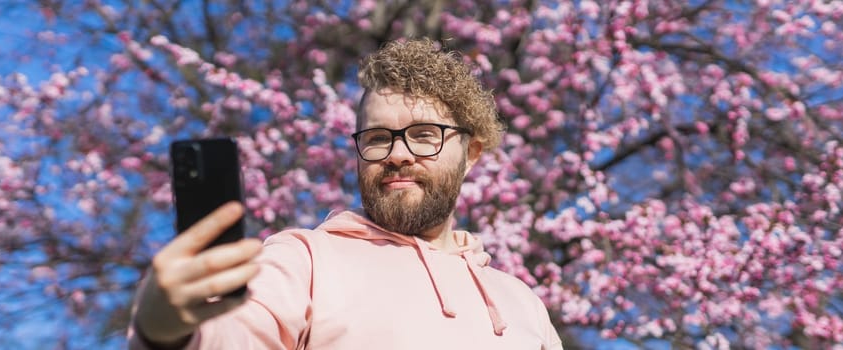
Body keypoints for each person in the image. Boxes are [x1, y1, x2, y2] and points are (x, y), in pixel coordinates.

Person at [128, 38, 564, 350]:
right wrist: (165, 333)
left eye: (424, 135)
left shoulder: (522, 303)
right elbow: (234, 333)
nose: (398, 154)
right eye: (378, 138)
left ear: (470, 154)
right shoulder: (302, 260)